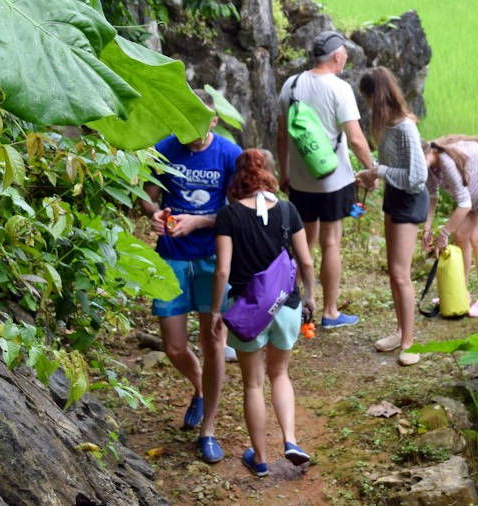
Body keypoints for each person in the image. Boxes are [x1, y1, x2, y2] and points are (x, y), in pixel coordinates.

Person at [140, 89, 242, 464]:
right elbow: (147, 195)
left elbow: (240, 212)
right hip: (171, 258)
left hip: (216, 259)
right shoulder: (166, 147)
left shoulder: (230, 155)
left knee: (214, 341)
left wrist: (199, 221)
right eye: (188, 124)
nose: (194, 133)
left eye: (202, 125)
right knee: (174, 347)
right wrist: (153, 211)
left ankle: (209, 429)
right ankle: (200, 388)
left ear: (215, 121)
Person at [211, 149, 316, 477]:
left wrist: (216, 312)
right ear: (269, 175)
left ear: (238, 178)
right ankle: (290, 439)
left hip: (247, 312)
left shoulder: (229, 216)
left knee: (253, 385)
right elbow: (308, 262)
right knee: (280, 373)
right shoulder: (287, 211)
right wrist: (311, 297)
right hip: (285, 307)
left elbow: (222, 271)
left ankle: (259, 459)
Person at [277, 30, 375, 329]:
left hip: (300, 181)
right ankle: (330, 312)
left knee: (302, 243)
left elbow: (282, 136)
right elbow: (357, 140)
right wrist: (371, 170)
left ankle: (292, 307)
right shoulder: (339, 88)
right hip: (334, 181)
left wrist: (285, 172)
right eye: (344, 53)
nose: (345, 57)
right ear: (336, 56)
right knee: (331, 243)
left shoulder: (291, 85)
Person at [355, 67, 428, 366]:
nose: (369, 105)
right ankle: (400, 332)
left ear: (377, 95)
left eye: (369, 98)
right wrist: (373, 174)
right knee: (393, 272)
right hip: (394, 197)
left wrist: (379, 172)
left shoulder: (405, 128)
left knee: (401, 273)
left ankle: (410, 342)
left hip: (410, 200)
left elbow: (417, 177)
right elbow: (389, 166)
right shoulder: (388, 124)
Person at [421, 135, 478, 317]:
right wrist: (427, 227)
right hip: (472, 192)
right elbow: (432, 195)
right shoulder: (429, 167)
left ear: (426, 153)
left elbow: (464, 205)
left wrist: (444, 233)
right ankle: (460, 291)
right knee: (461, 236)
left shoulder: (445, 162)